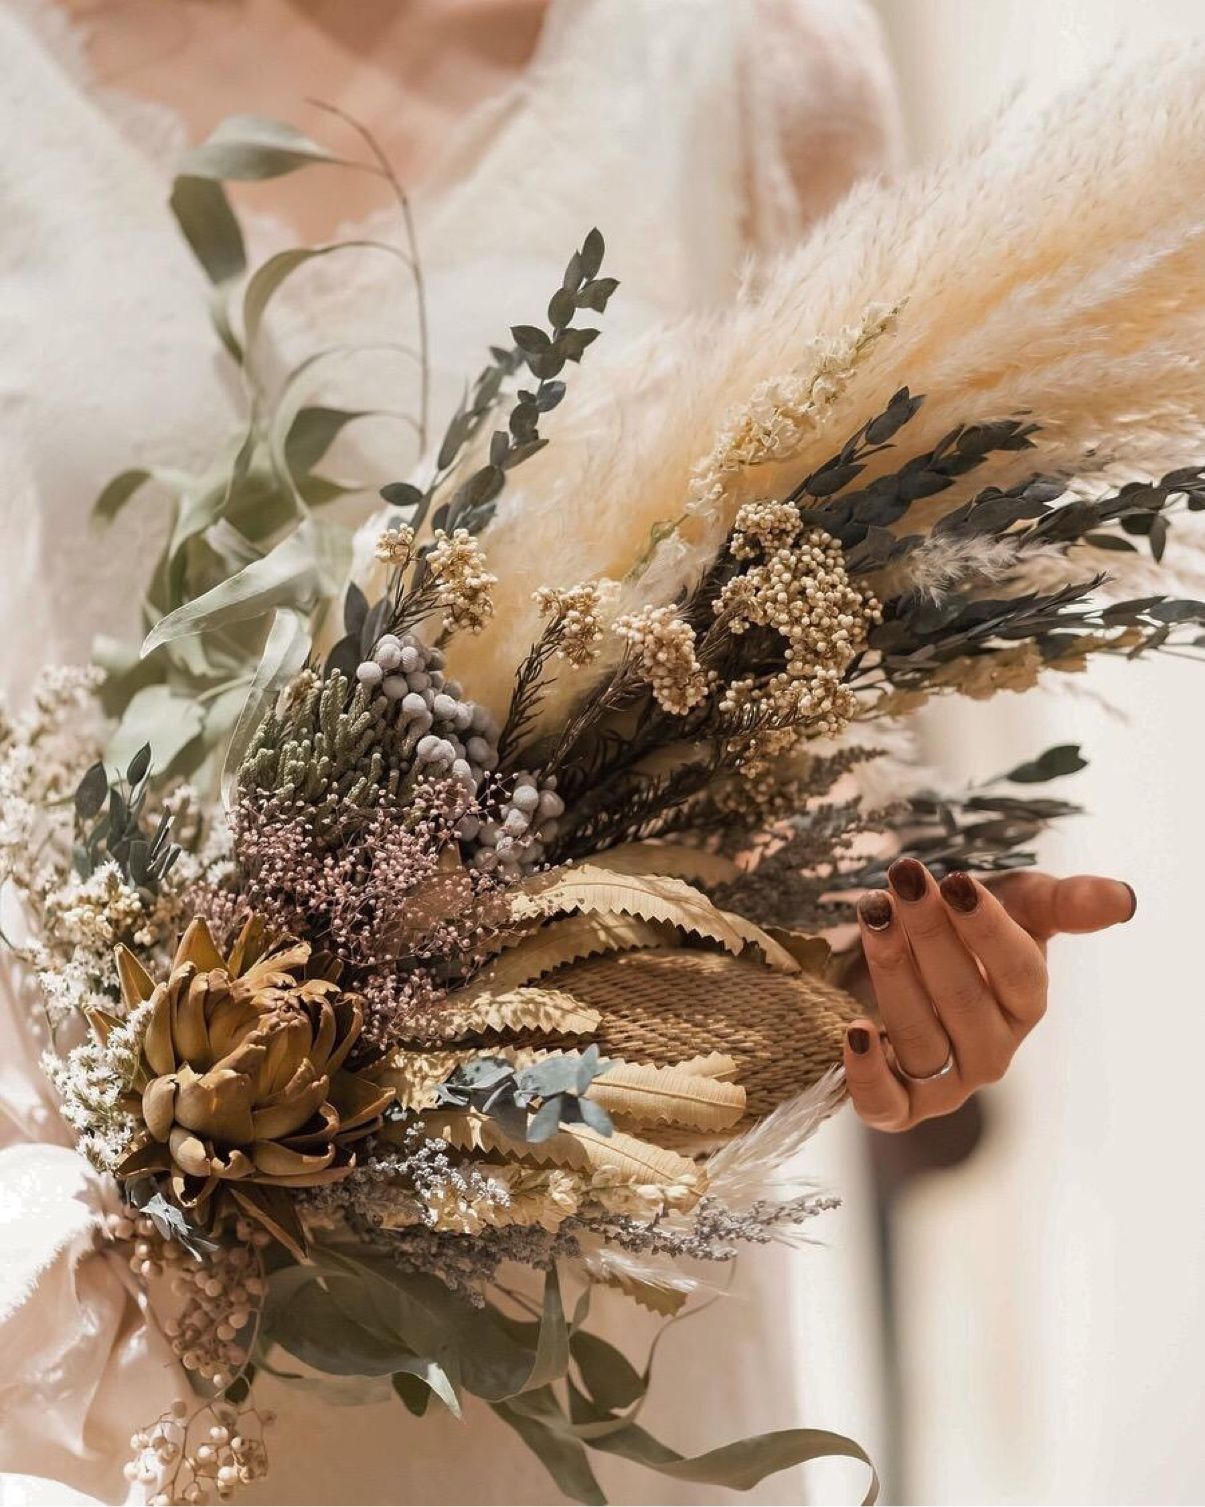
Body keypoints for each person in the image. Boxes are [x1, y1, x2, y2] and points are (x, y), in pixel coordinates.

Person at [0, 2, 1137, 1502]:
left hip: (581, 1319)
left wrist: (879, 967)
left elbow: (835, 721)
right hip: (80, 1315)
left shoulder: (751, 63)